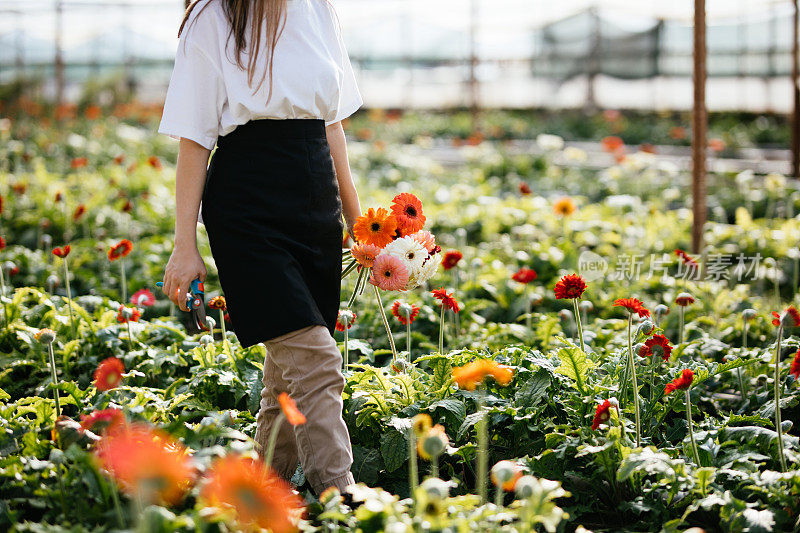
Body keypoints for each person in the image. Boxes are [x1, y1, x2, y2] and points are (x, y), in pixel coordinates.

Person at [157, 0, 363, 495]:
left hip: (314, 198)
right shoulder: (212, 17)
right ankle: (341, 496)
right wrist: (185, 245)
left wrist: (359, 225)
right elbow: (194, 141)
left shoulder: (318, 8)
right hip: (247, 205)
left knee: (287, 375)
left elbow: (331, 124)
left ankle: (262, 490)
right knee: (315, 360)